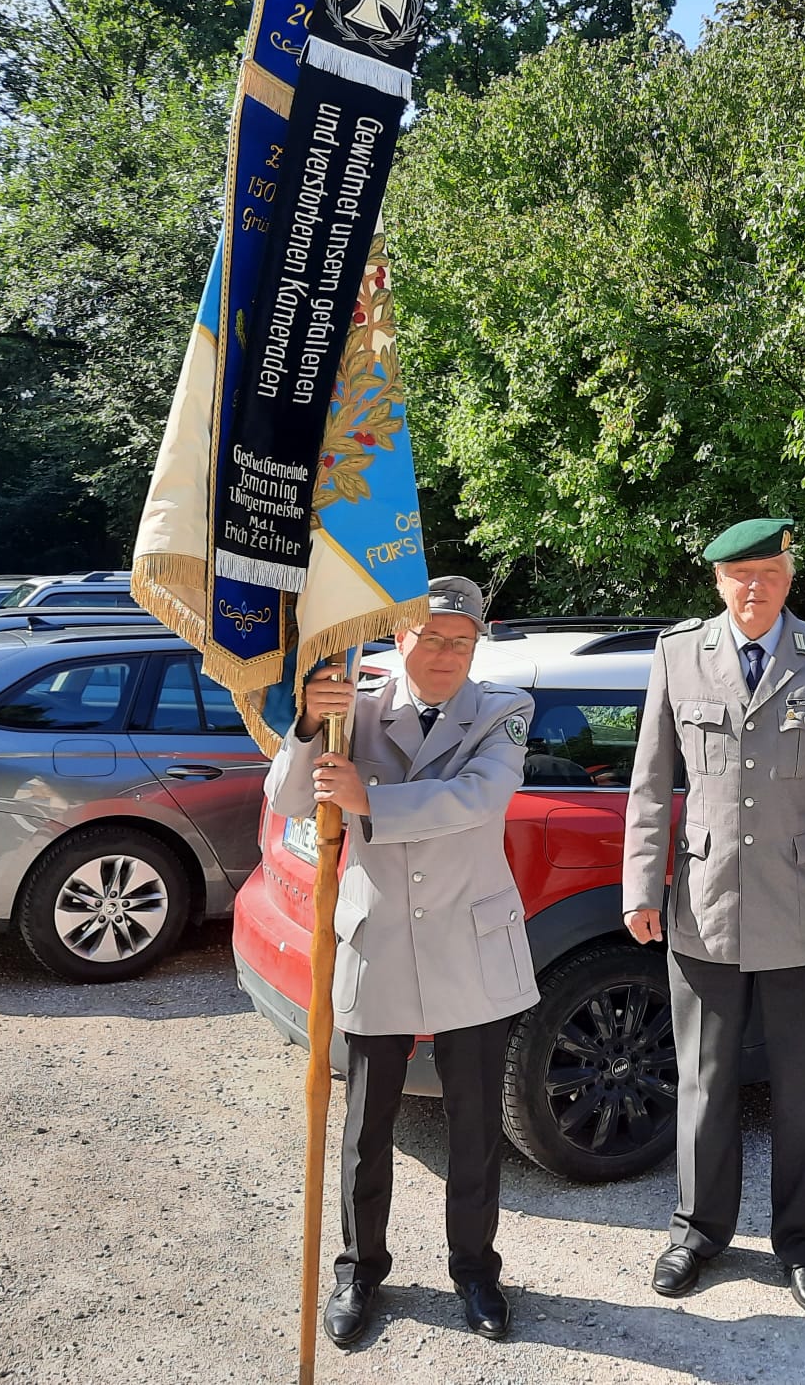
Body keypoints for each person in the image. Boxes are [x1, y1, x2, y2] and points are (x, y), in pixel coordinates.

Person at [263, 575, 538, 1348]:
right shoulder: (355, 709)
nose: (446, 653)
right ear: (399, 636)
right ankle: (359, 1270)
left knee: (474, 1126)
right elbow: (289, 801)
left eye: (463, 641)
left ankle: (476, 1271)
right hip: (378, 939)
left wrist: (370, 801)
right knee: (365, 1129)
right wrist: (306, 726)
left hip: (468, 945)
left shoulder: (503, 711)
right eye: (432, 637)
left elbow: (481, 798)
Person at [621, 517, 805, 1314]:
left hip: (804, 908)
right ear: (718, 581)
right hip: (704, 904)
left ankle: (801, 1243)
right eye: (740, 574)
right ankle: (697, 1232)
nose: (754, 587)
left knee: (804, 1090)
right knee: (704, 1083)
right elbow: (650, 782)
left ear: (788, 577)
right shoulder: (678, 654)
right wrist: (640, 886)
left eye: (768, 572)